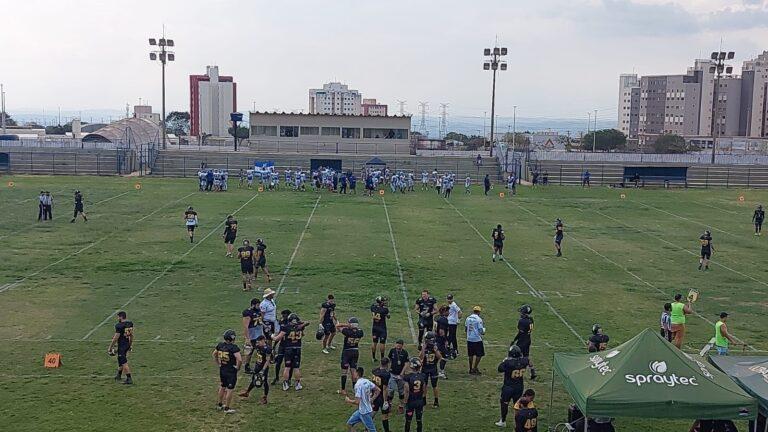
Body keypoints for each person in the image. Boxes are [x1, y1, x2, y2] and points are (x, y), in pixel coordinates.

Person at [495, 345, 533, 428]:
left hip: (508, 387)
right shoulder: (524, 361)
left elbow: (499, 369)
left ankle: (503, 421)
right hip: (519, 387)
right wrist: (532, 371)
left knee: (504, 403)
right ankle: (518, 422)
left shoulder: (508, 363)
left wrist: (504, 361)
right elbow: (529, 362)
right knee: (518, 405)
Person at [270, 312, 309, 391]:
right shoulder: (299, 327)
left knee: (287, 367)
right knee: (296, 368)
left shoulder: (286, 327)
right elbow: (303, 331)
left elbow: (277, 338)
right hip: (297, 348)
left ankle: (285, 383)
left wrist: (272, 336)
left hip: (289, 349)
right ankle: (297, 384)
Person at [213, 329, 242, 414]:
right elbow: (239, 360)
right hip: (231, 371)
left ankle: (219, 404)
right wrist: (238, 368)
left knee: (222, 386)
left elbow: (214, 354)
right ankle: (227, 408)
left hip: (223, 369)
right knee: (230, 389)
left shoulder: (220, 345)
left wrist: (218, 363)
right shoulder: (234, 348)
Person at [345, 366, 381, 432]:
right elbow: (378, 390)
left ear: (357, 373)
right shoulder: (367, 381)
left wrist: (348, 400)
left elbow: (357, 401)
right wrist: (372, 399)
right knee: (349, 424)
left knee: (372, 430)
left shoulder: (358, 385)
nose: (353, 373)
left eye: (354, 372)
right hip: (362, 411)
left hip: (365, 413)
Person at [238, 335, 272, 404]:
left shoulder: (267, 349)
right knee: (254, 378)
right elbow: (251, 347)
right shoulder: (258, 346)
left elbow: (267, 360)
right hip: (258, 365)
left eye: (259, 341)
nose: (258, 343)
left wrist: (263, 370)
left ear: (263, 340)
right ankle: (247, 392)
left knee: (264, 381)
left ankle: (265, 397)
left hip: (263, 367)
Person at [338, 317, 365, 395]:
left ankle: (343, 389)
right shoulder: (360, 332)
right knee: (353, 371)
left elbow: (338, 326)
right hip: (355, 351)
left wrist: (346, 325)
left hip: (347, 352)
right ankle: (355, 388)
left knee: (344, 371)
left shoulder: (347, 331)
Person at [107, 311, 134, 385]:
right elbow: (131, 335)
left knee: (124, 362)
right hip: (127, 344)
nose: (118, 318)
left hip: (122, 345)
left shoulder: (119, 325)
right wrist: (130, 344)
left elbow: (116, 338)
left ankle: (129, 378)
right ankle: (118, 375)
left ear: (121, 317)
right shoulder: (129, 323)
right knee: (120, 360)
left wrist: (110, 347)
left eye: (118, 317)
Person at [419, 331, 443, 408]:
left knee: (434, 385)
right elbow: (421, 357)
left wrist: (435, 350)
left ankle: (436, 400)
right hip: (425, 368)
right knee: (424, 385)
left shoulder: (435, 346)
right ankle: (424, 399)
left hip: (433, 368)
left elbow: (440, 357)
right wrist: (423, 348)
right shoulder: (424, 346)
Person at [403, 357, 427, 432]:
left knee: (408, 420)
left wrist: (405, 401)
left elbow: (406, 390)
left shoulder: (408, 377)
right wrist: (423, 398)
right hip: (419, 401)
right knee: (419, 420)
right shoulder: (423, 376)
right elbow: (424, 389)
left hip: (411, 402)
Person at [387, 339, 410, 414]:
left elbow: (406, 364)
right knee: (391, 390)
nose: (398, 346)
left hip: (400, 375)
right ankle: (389, 404)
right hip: (392, 374)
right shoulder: (392, 351)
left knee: (401, 391)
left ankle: (401, 406)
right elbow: (389, 360)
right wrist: (389, 369)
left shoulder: (405, 353)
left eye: (399, 344)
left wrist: (402, 373)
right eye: (397, 344)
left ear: (402, 345)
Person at [241, 297, 264, 371]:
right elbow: (245, 326)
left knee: (260, 351)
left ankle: (259, 365)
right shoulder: (248, 313)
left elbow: (260, 321)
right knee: (250, 351)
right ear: (253, 305)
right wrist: (247, 338)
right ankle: (247, 366)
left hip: (259, 334)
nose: (259, 306)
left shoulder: (258, 311)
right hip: (252, 335)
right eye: (257, 305)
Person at [271, 309, 292, 386]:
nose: (282, 317)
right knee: (278, 362)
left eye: (284, 315)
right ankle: (276, 377)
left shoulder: (291, 323)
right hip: (282, 345)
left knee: (289, 364)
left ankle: (288, 379)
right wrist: (275, 345)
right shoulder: (282, 322)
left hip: (289, 346)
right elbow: (279, 333)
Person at [372, 358, 393, 432]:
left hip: (374, 394)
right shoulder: (386, 374)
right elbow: (384, 388)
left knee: (374, 411)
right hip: (381, 396)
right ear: (387, 364)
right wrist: (385, 401)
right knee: (385, 415)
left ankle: (367, 427)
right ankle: (386, 430)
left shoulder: (374, 371)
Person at [465, 305, 486, 374]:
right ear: (479, 312)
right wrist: (483, 331)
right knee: (479, 354)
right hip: (477, 339)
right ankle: (475, 367)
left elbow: (466, 329)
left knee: (470, 355)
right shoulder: (479, 319)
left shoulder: (468, 318)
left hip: (469, 338)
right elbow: (481, 331)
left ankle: (470, 368)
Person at [371, 296, 390, 363]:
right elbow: (388, 316)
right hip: (382, 328)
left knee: (374, 342)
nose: (384, 302)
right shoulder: (385, 309)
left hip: (375, 327)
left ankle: (373, 357)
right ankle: (382, 358)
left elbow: (373, 308)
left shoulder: (373, 307)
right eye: (383, 301)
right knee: (382, 343)